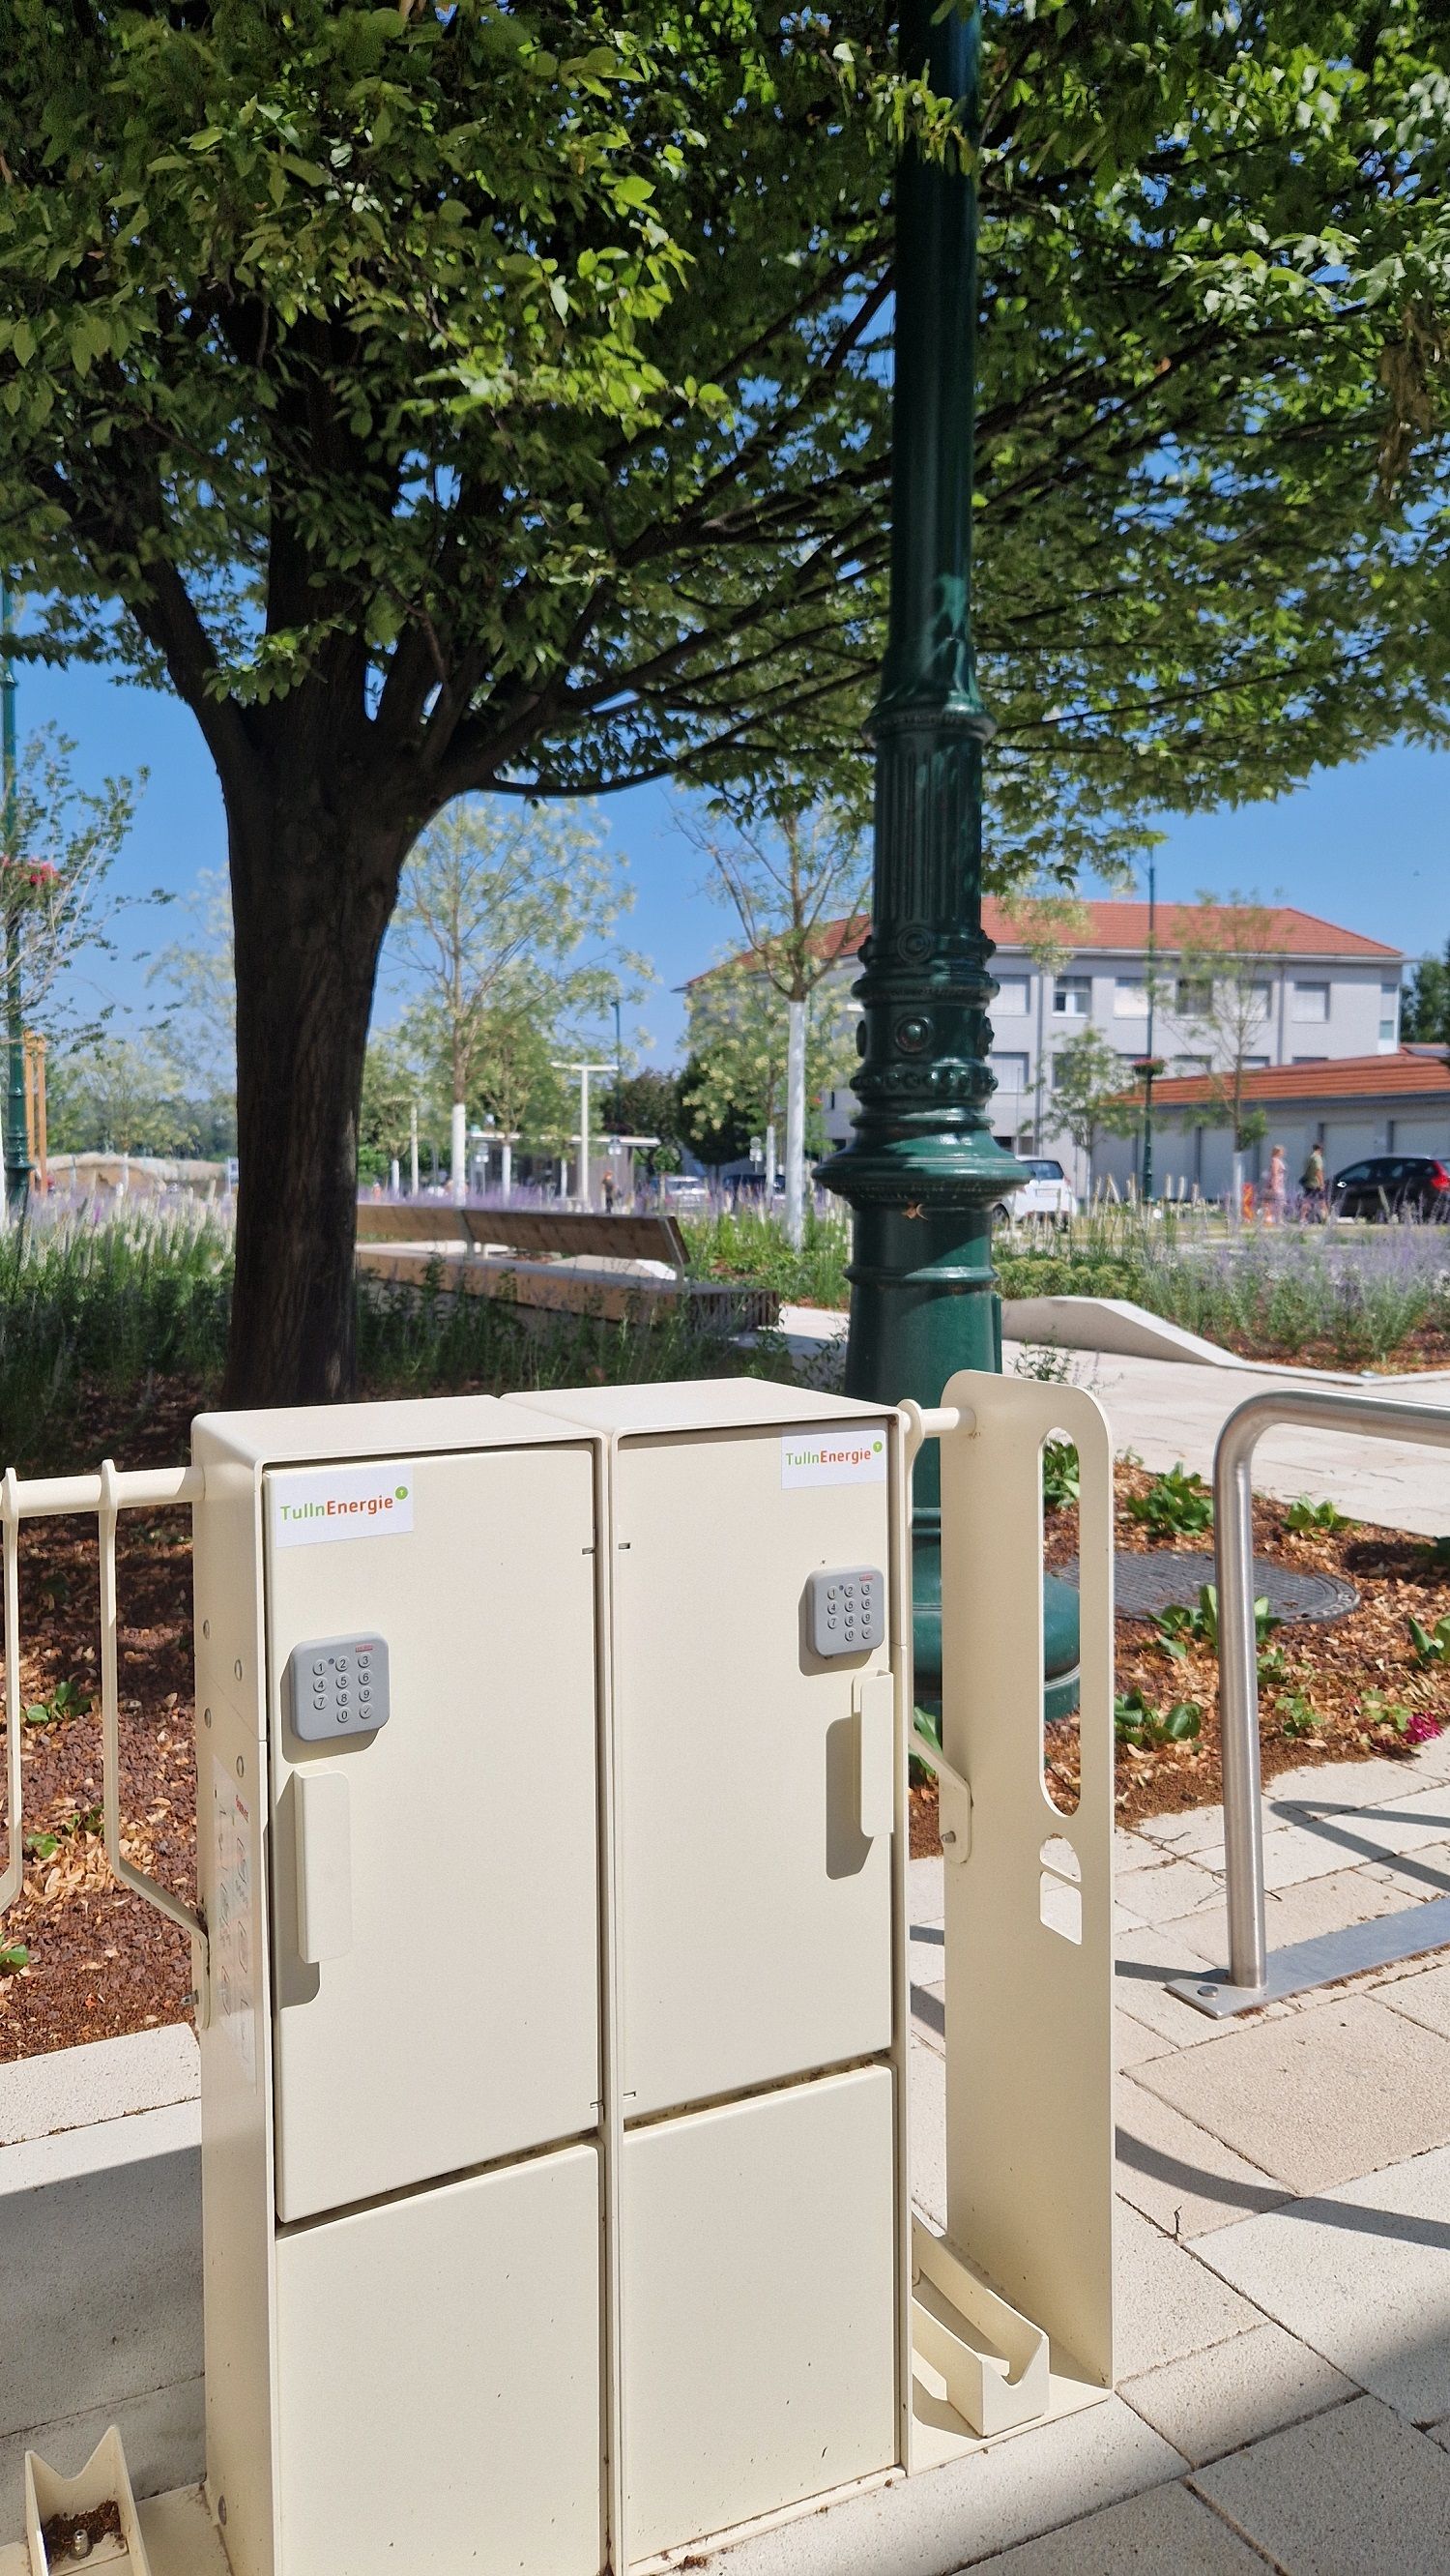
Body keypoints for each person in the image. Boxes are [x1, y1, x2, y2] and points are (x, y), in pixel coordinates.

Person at [1300, 1140, 1326, 1221]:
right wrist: (1322, 1183)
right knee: (1322, 1201)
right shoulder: (1318, 1158)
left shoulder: (1309, 1158)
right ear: (1320, 1149)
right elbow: (1318, 1171)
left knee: (1306, 1200)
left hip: (1308, 1182)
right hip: (1315, 1183)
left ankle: (1302, 1218)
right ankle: (1326, 1219)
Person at [1267, 1143, 1288, 1225]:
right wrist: (1274, 1185)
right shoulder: (1275, 1161)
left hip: (1280, 1184)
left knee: (1280, 1203)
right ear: (1278, 1152)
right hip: (1277, 1185)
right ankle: (1278, 1220)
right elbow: (1275, 1173)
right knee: (1279, 1202)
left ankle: (1278, 1219)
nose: (1283, 1153)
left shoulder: (1277, 1160)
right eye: (1282, 1151)